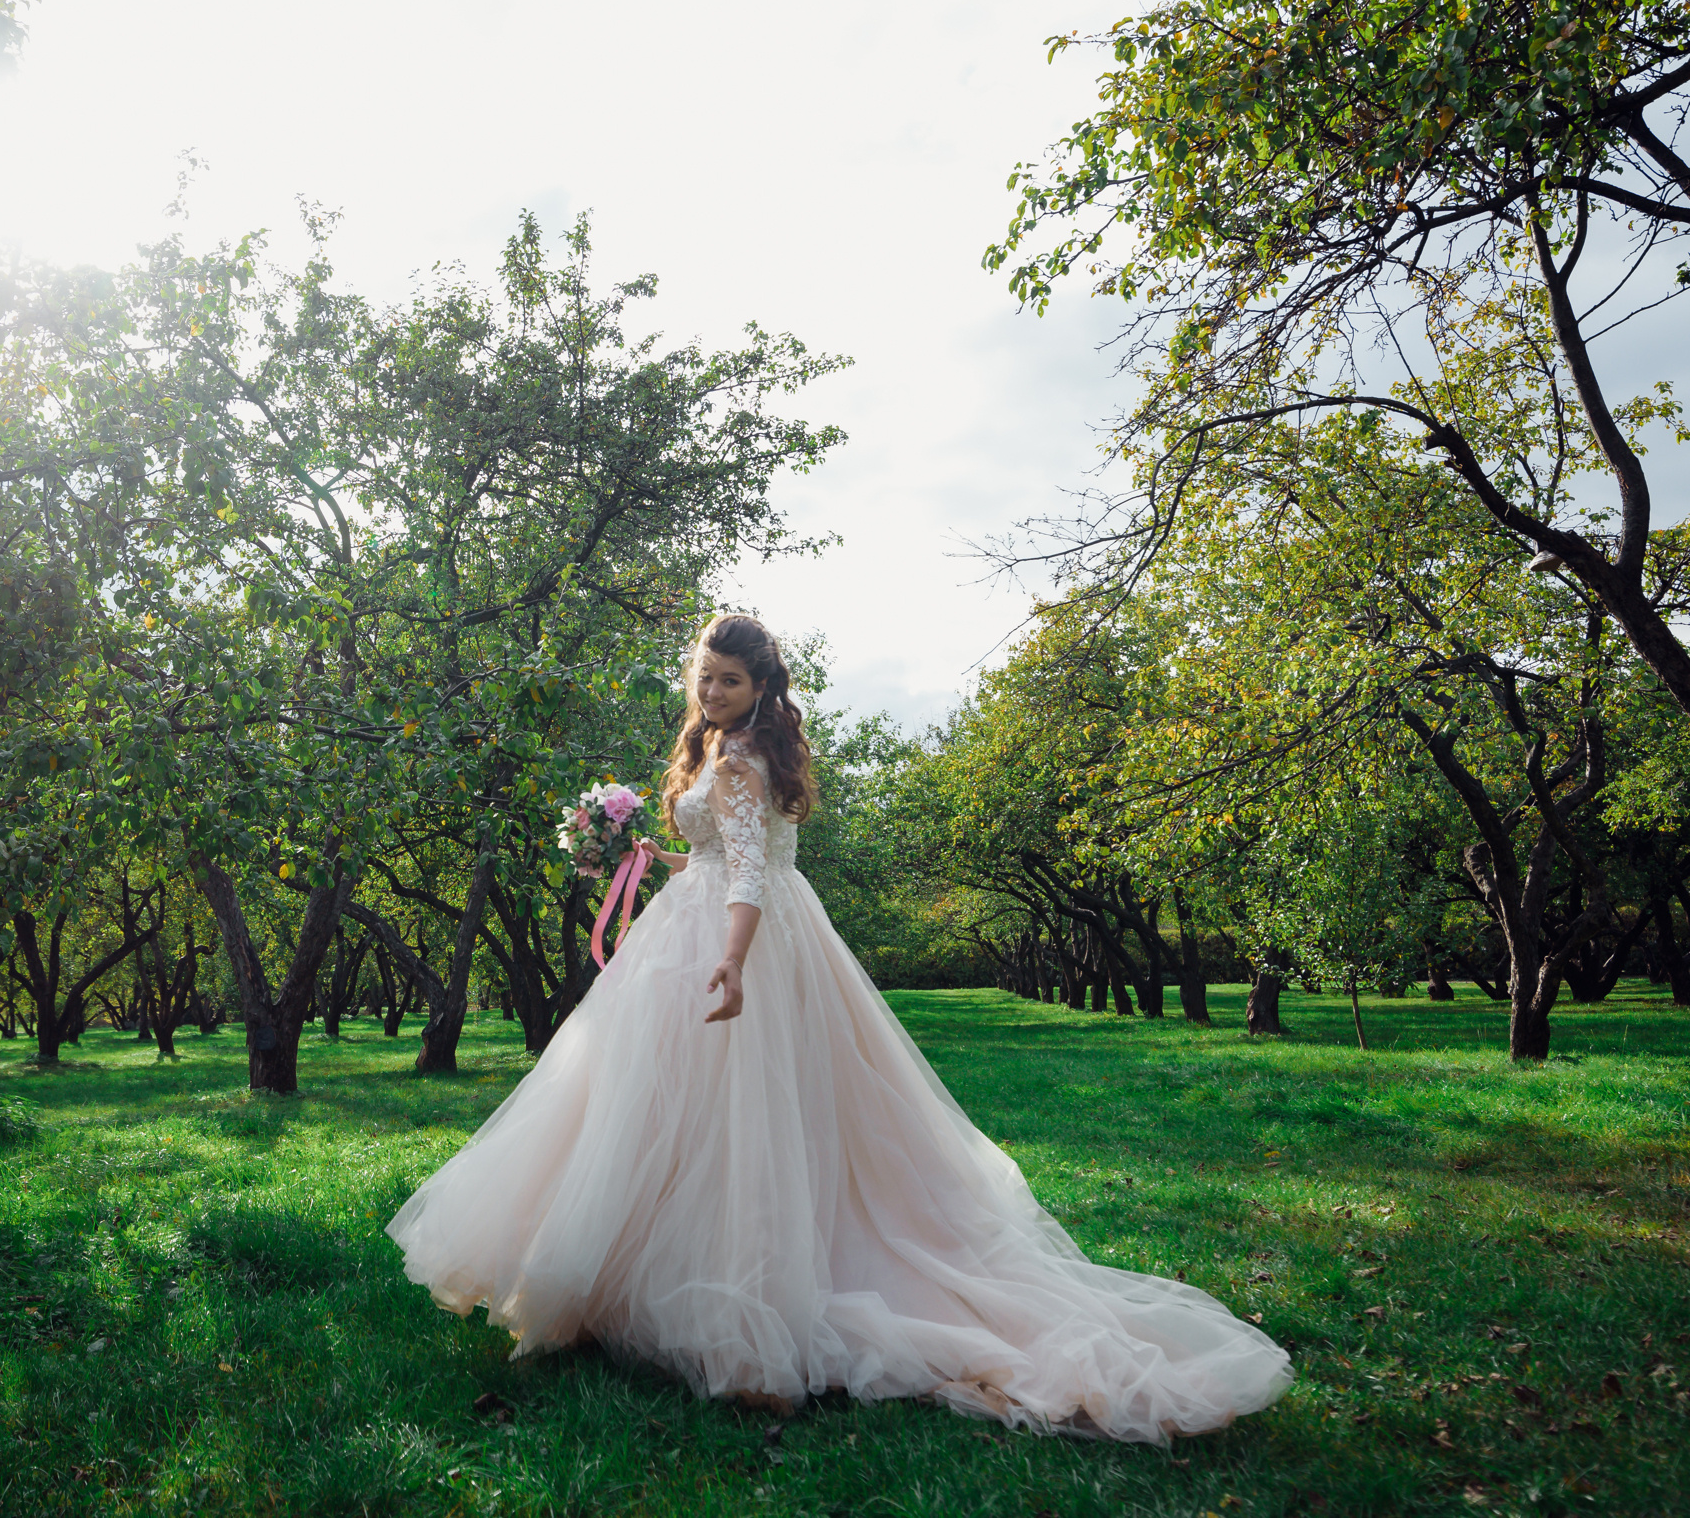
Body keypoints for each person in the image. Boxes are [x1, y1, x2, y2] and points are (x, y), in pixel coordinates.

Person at [385, 613, 1292, 1441]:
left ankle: (733, 1315)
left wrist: (733, 961)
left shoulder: (739, 758)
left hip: (735, 938)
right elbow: (725, 853)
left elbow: (746, 871)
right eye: (703, 678)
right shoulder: (724, 747)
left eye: (729, 683)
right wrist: (649, 849)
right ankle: (626, 1282)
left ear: (761, 688)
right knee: (669, 1111)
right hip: (730, 922)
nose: (710, 694)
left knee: (723, 1117)